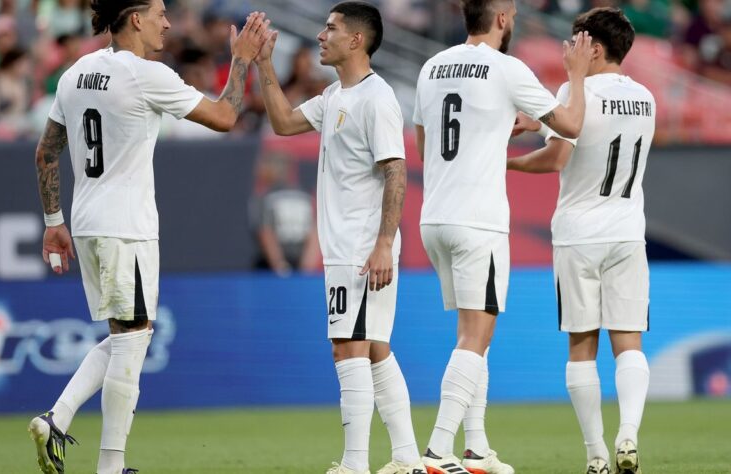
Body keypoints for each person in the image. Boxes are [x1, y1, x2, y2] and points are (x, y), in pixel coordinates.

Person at [28, 1, 269, 473]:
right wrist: (241, 59)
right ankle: (107, 463)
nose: (167, 22)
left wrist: (53, 220)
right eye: (159, 12)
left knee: (128, 335)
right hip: (126, 228)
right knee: (134, 339)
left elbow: (45, 153)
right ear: (134, 18)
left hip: (87, 222)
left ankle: (58, 419)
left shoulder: (78, 72)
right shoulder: (145, 74)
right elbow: (224, 118)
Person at [412, 0, 593, 472]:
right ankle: (436, 451)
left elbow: (424, 140)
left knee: (473, 334)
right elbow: (570, 126)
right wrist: (575, 75)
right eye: (510, 12)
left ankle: (475, 449)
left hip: (435, 217)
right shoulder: (507, 68)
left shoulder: (432, 65)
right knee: (477, 333)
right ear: (501, 18)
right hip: (479, 219)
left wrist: (487, 138)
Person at [254, 2, 425, 473]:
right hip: (348, 244)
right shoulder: (334, 97)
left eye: (330, 28)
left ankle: (354, 464)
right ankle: (407, 458)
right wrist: (265, 63)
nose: (320, 35)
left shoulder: (377, 98)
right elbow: (284, 122)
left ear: (356, 40)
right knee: (373, 349)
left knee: (347, 346)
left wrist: (385, 242)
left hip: (363, 245)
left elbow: (396, 171)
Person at [508, 8, 654, 474]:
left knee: (581, 346)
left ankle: (595, 455)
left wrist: (504, 162)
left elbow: (555, 159)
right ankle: (628, 433)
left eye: (575, 41)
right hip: (628, 231)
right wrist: (541, 120)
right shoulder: (645, 97)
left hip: (578, 234)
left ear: (593, 46)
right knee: (629, 342)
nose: (568, 50)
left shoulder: (575, 91)